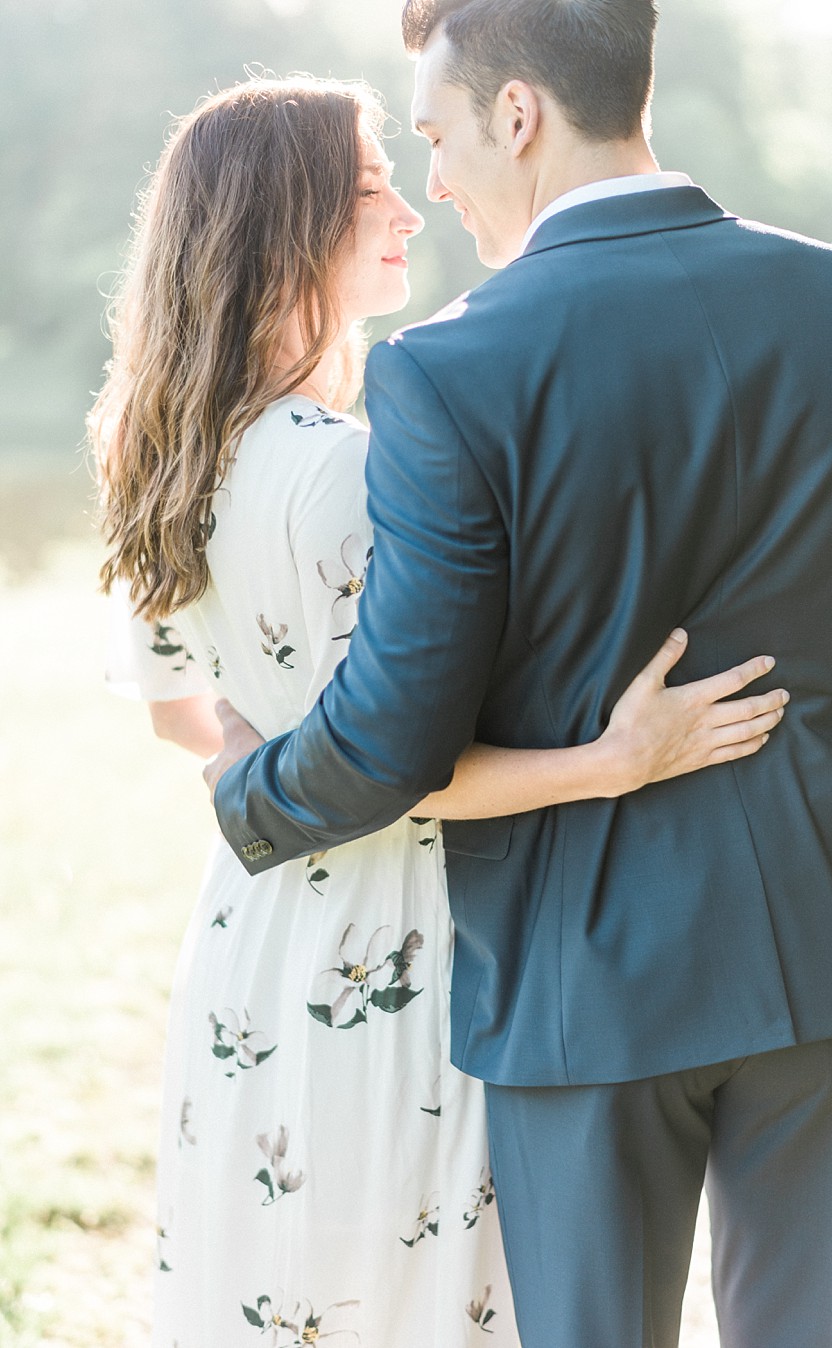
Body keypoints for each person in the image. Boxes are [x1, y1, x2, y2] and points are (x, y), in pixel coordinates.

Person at [208, 3, 832, 1346]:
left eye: (438, 134)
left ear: (516, 114)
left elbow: (392, 734)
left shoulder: (454, 370)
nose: (437, 179)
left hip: (583, 985)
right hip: (829, 945)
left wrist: (254, 791)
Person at [91, 75, 783, 1348]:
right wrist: (617, 760)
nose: (409, 205)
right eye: (369, 187)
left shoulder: (165, 449)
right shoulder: (349, 469)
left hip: (252, 937)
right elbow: (405, 762)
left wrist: (265, 753)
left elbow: (183, 718)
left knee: (284, 1285)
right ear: (283, 222)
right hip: (391, 953)